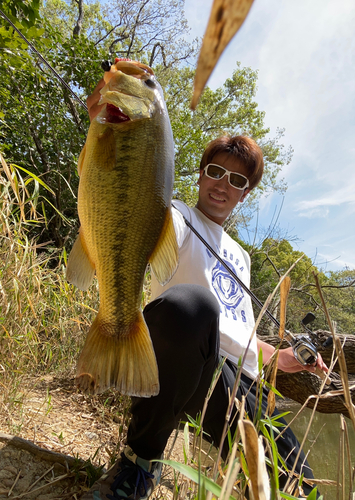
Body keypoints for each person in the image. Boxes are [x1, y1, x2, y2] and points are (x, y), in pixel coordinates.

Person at [81, 79, 328, 500]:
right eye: (214, 171)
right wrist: (108, 129)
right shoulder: (171, 215)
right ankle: (140, 462)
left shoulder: (242, 258)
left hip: (239, 386)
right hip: (184, 362)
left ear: (245, 195)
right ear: (199, 175)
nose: (222, 184)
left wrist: (279, 358)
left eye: (237, 180)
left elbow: (241, 335)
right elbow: (116, 192)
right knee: (193, 307)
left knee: (302, 487)